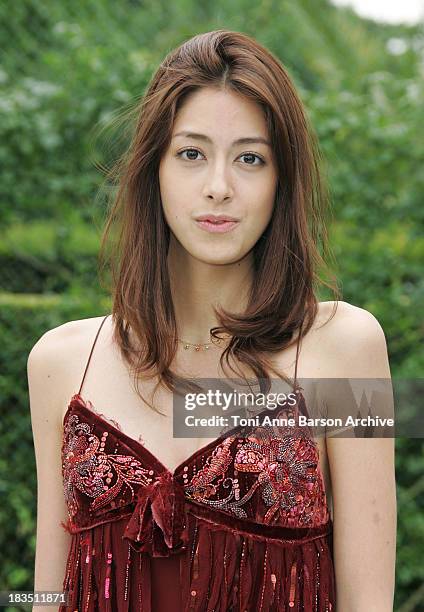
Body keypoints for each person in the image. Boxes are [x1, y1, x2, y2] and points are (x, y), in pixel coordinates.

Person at [28, 29, 396, 611]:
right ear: (155, 168)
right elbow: (47, 589)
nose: (218, 187)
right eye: (192, 153)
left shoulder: (345, 347)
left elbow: (368, 601)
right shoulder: (59, 361)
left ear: (282, 181)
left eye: (250, 158)